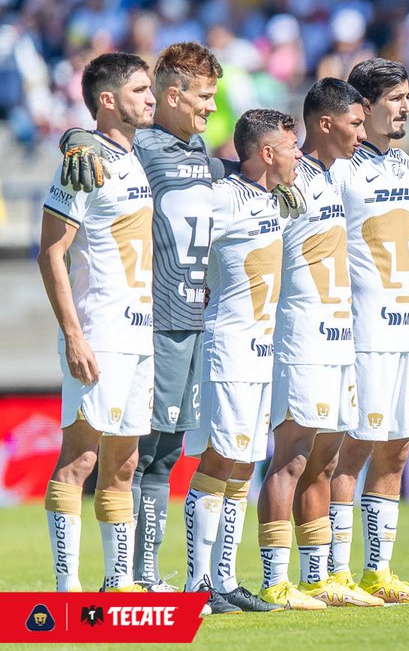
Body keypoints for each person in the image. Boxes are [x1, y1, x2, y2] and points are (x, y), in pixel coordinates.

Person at [55, 42, 304, 609]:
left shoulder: (200, 154)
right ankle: (137, 577)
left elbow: (235, 173)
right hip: (154, 320)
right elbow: (94, 141)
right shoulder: (140, 146)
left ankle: (173, 578)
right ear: (171, 96)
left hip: (193, 319)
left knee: (167, 452)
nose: (211, 107)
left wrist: (272, 180)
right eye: (204, 96)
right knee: (142, 451)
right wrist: (74, 139)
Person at [324, 58, 409, 604]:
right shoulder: (338, 169)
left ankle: (379, 572)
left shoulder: (402, 165)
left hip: (403, 332)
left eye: (407, 97)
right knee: (351, 451)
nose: (405, 108)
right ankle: (334, 572)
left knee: (396, 449)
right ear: (364, 107)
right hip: (361, 332)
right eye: (395, 98)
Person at [256, 79, 384, 608]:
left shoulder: (336, 176)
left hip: (339, 336)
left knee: (326, 462)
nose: (362, 133)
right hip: (300, 337)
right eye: (355, 124)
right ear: (325, 124)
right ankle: (274, 580)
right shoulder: (288, 177)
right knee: (290, 458)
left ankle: (317, 577)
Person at [40, 52, 156, 593]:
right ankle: (67, 589)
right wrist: (74, 335)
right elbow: (51, 252)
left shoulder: (133, 156)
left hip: (139, 332)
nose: (151, 98)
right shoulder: (81, 162)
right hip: (100, 330)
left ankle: (118, 584)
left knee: (124, 465)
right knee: (80, 458)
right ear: (108, 100)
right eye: (139, 90)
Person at [181, 108, 298, 612]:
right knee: (220, 459)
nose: (299, 156)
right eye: (291, 148)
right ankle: (197, 583)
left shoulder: (273, 197)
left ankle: (226, 580)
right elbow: (182, 247)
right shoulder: (223, 197)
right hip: (227, 348)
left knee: (245, 463)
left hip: (261, 351)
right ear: (267, 153)